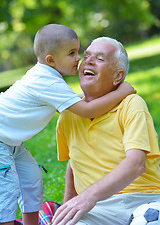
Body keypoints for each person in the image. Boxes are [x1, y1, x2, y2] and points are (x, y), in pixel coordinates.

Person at [0, 25, 135, 225]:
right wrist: (121, 92)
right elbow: (87, 110)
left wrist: (102, 95)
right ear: (51, 60)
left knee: (32, 177)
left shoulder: (47, 78)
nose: (78, 58)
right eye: (72, 53)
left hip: (11, 143)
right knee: (7, 188)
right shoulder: (47, 81)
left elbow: (73, 103)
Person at [53, 37, 160, 225]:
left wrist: (87, 197)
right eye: (86, 56)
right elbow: (74, 162)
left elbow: (136, 164)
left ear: (118, 76)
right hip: (97, 209)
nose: (89, 61)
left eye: (100, 58)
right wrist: (67, 208)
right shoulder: (69, 114)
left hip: (141, 199)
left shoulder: (131, 104)